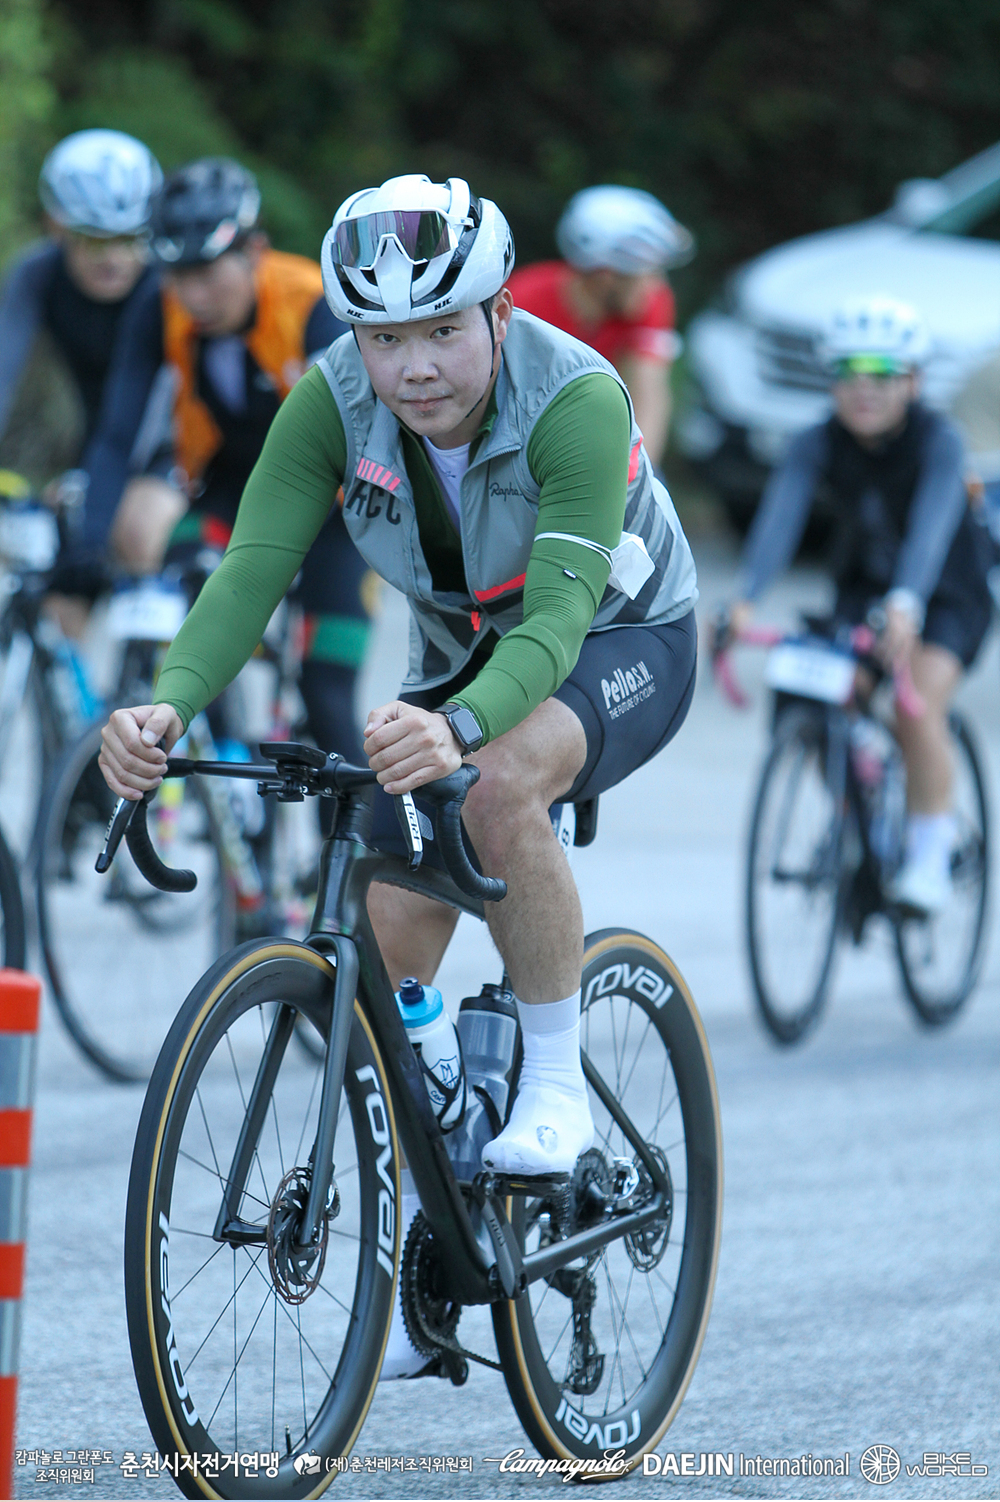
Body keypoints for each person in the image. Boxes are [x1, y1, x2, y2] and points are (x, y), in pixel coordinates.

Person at [99, 173, 698, 1372]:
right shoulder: (332, 398)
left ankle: (554, 1085)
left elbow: (555, 619)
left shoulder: (574, 397)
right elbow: (254, 564)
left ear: (497, 314)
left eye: (440, 330)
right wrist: (169, 701)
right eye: (382, 338)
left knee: (495, 785)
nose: (412, 366)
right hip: (466, 657)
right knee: (382, 919)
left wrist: (459, 726)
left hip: (619, 639)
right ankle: (435, 1164)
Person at [80, 157, 374, 761]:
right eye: (178, 276)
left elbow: (359, 437)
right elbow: (117, 435)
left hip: (339, 506)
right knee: (185, 594)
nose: (194, 297)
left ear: (253, 251)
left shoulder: (313, 302)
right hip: (234, 487)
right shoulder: (159, 307)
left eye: (209, 274)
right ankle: (228, 756)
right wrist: (85, 544)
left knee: (327, 695)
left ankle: (352, 823)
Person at [729, 294, 994, 915]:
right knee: (807, 694)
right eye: (847, 371)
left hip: (947, 591)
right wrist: (744, 599)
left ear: (914, 381)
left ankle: (930, 853)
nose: (863, 388)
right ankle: (864, 812)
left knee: (914, 704)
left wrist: (907, 603)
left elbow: (930, 530)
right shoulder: (816, 441)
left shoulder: (939, 440)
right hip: (865, 589)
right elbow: (780, 519)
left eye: (881, 372)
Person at [0, 128, 164, 614]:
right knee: (58, 597)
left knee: (137, 532)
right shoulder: (36, 273)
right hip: (96, 445)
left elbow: (145, 417)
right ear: (57, 227)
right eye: (94, 240)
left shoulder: (164, 283)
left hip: (167, 445)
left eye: (130, 239)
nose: (114, 258)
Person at [508, 185, 694, 467]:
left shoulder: (650, 303)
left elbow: (649, 394)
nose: (657, 286)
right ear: (606, 275)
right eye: (646, 273)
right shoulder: (522, 302)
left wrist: (639, 472)